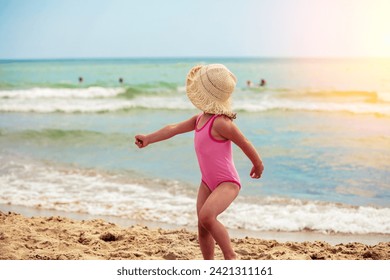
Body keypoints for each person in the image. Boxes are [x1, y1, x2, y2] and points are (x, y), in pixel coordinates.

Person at [134, 64, 264, 260]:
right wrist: (149, 138)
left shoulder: (222, 123)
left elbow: (244, 142)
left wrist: (257, 163)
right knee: (202, 226)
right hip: (207, 182)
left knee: (207, 217)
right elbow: (174, 128)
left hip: (227, 183)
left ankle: (231, 257)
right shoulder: (199, 119)